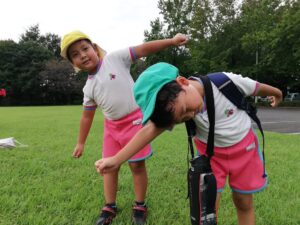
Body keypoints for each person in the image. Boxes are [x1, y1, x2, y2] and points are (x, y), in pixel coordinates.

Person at [95, 62, 283, 225]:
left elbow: (257, 88)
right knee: (207, 210)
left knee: (243, 201)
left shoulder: (225, 82)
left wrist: (278, 94)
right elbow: (148, 131)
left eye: (185, 110)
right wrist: (117, 160)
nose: (189, 116)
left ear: (183, 82)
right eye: (180, 119)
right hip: (210, 157)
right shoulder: (174, 107)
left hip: (244, 150)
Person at [60, 32, 188, 225]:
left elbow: (143, 48)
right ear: (74, 63)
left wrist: (171, 41)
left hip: (134, 122)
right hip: (111, 128)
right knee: (109, 167)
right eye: (76, 55)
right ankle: (109, 206)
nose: (83, 55)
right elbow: (87, 116)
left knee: (137, 165)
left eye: (85, 49)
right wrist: (80, 142)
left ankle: (139, 205)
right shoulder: (88, 88)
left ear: (95, 49)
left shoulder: (114, 59)